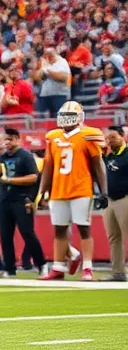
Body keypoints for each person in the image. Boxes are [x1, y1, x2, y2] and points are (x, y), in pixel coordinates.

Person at [38, 101, 107, 281]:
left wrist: (103, 191)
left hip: (81, 189)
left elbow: (98, 165)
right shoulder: (53, 136)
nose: (66, 119)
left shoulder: (88, 135)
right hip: (58, 190)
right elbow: (48, 166)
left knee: (84, 229)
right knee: (59, 230)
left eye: (70, 116)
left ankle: (87, 268)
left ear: (79, 117)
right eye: (64, 116)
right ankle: (58, 266)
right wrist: (42, 191)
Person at [0, 128, 46, 278]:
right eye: (5, 139)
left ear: (17, 139)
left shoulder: (25, 155)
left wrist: (11, 180)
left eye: (10, 139)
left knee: (27, 233)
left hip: (22, 199)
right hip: (5, 199)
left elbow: (33, 177)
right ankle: (9, 268)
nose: (7, 142)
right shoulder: (2, 157)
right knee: (5, 236)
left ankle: (42, 264)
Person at [102, 126, 128, 282]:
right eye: (108, 138)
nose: (110, 141)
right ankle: (118, 272)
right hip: (110, 200)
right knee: (114, 237)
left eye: (113, 137)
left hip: (125, 198)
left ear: (122, 136)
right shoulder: (109, 155)